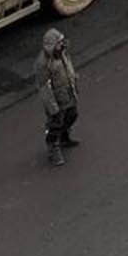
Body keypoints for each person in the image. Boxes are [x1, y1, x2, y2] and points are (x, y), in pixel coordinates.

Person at [36, 28, 79, 167]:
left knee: (72, 114)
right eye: (59, 43)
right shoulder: (43, 63)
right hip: (56, 99)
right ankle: (53, 147)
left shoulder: (62, 53)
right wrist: (52, 107)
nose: (62, 45)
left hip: (68, 93)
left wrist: (74, 81)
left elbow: (68, 67)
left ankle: (64, 137)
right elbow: (43, 87)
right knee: (56, 124)